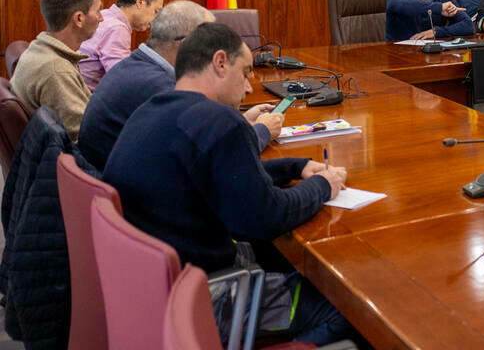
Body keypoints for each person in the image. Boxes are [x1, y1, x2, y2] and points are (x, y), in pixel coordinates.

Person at [103, 22, 354, 345]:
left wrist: (297, 166)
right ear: (220, 62)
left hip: (150, 295)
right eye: (246, 72)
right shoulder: (221, 121)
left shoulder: (151, 110)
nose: (250, 87)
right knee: (346, 306)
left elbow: (220, 174)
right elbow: (267, 218)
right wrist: (324, 185)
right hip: (210, 300)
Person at [78, 1, 283, 170]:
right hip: (133, 203)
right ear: (187, 45)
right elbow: (213, 157)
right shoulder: (160, 87)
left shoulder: (138, 66)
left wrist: (243, 121)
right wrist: (263, 131)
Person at [11, 0, 103, 141]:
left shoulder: (38, 48)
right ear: (79, 18)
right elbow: (86, 140)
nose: (101, 18)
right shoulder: (56, 71)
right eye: (98, 11)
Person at [78, 0, 164, 90]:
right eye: (156, 11)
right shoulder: (117, 28)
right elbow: (123, 80)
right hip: (86, 101)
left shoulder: (106, 16)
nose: (156, 20)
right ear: (140, 1)